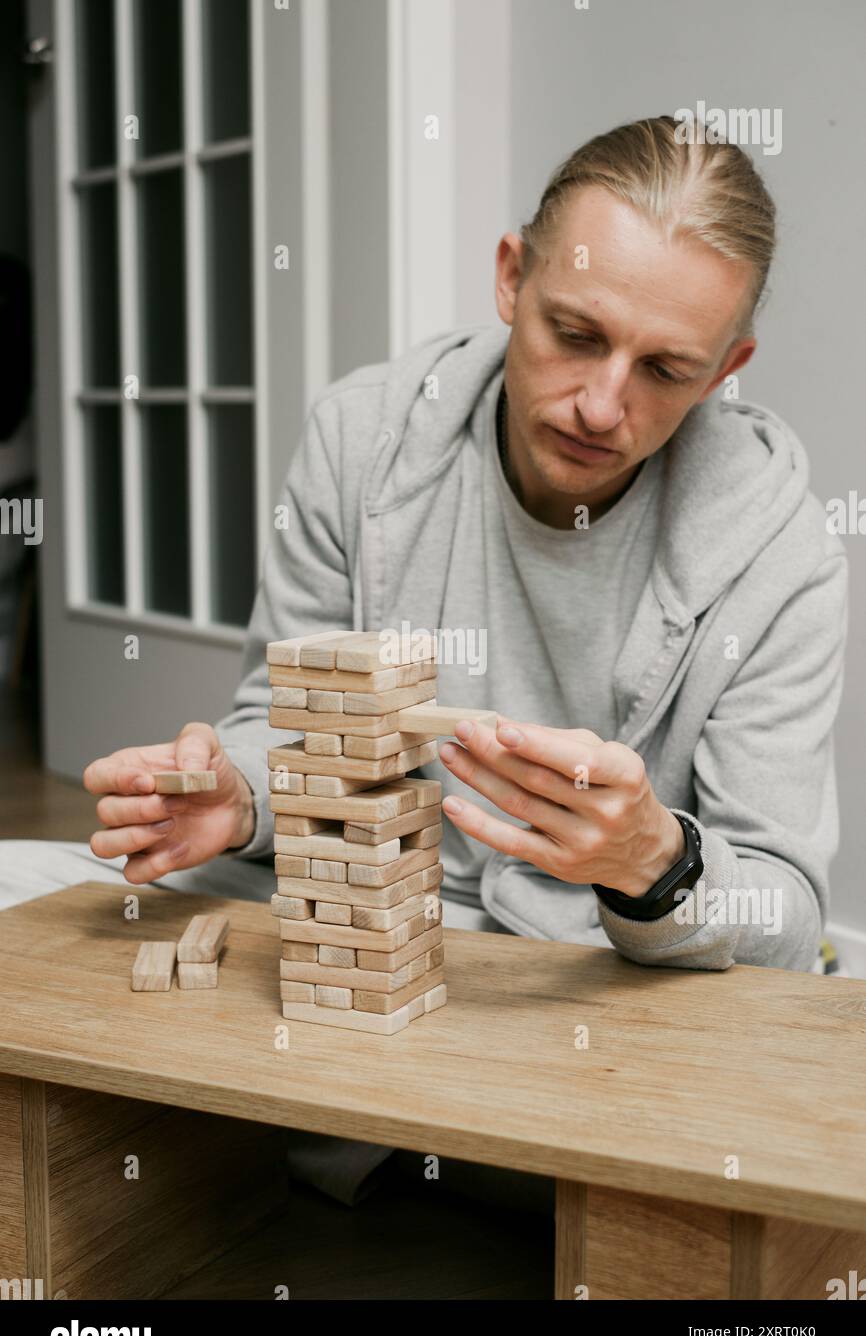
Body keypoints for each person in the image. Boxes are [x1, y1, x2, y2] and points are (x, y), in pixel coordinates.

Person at [0, 116, 847, 1209]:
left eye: (664, 369)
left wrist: (655, 861)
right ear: (509, 279)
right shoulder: (362, 438)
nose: (601, 404)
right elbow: (278, 718)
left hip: (590, 963)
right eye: (575, 333)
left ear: (725, 369)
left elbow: (782, 916)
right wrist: (241, 791)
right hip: (355, 908)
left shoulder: (780, 550)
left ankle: (395, 1155)